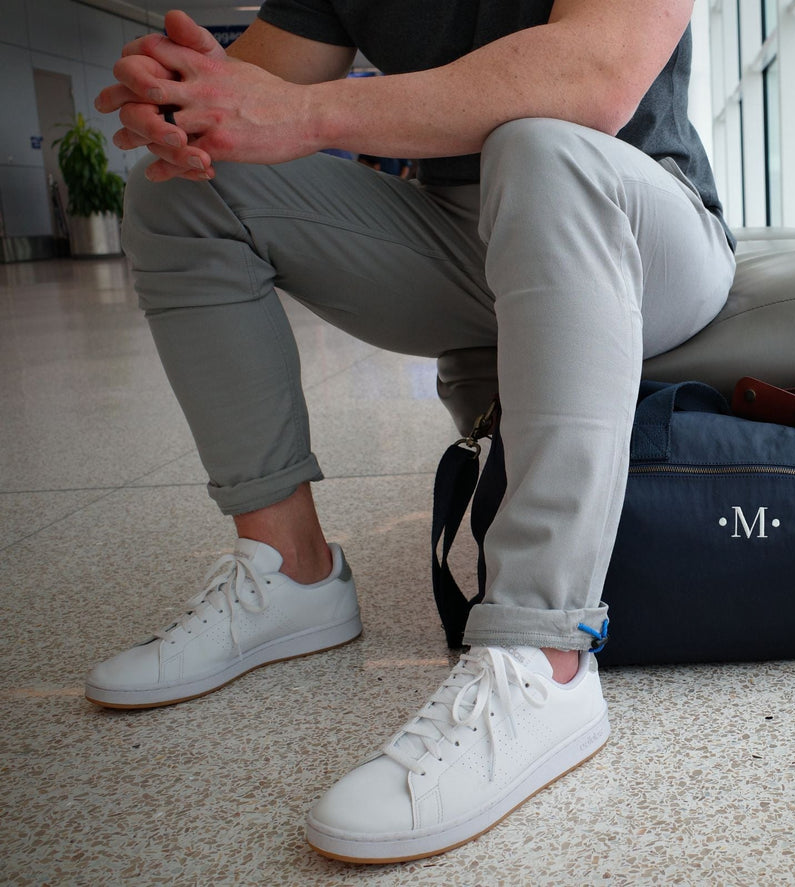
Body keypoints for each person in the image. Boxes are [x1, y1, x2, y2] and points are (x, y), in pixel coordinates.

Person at [86, 2, 733, 864]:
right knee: (188, 193)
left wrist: (307, 114)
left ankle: (546, 657)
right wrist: (187, 100)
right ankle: (292, 572)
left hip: (628, 209)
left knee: (540, 143)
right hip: (465, 232)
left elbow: (594, 79)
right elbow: (260, 88)